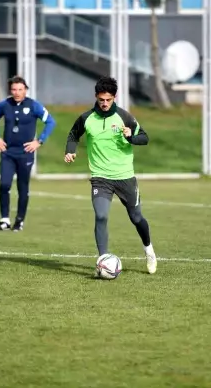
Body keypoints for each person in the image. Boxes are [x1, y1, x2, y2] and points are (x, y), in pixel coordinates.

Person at [64, 76, 157, 274]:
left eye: (108, 100)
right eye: (101, 100)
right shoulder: (86, 118)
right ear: (96, 97)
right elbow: (73, 134)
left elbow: (145, 138)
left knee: (136, 217)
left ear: (115, 97)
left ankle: (148, 249)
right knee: (101, 215)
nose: (105, 104)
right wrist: (70, 150)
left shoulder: (125, 117)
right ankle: (103, 260)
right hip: (100, 177)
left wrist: (131, 136)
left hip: (125, 177)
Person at [0, 76, 56, 231]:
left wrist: (39, 141)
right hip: (8, 152)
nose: (17, 92)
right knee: (5, 184)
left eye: (20, 89)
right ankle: (4, 219)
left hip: (25, 153)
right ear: (10, 90)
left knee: (22, 187)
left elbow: (50, 122)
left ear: (25, 89)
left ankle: (19, 220)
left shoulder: (34, 105)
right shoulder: (4, 105)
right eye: (14, 89)